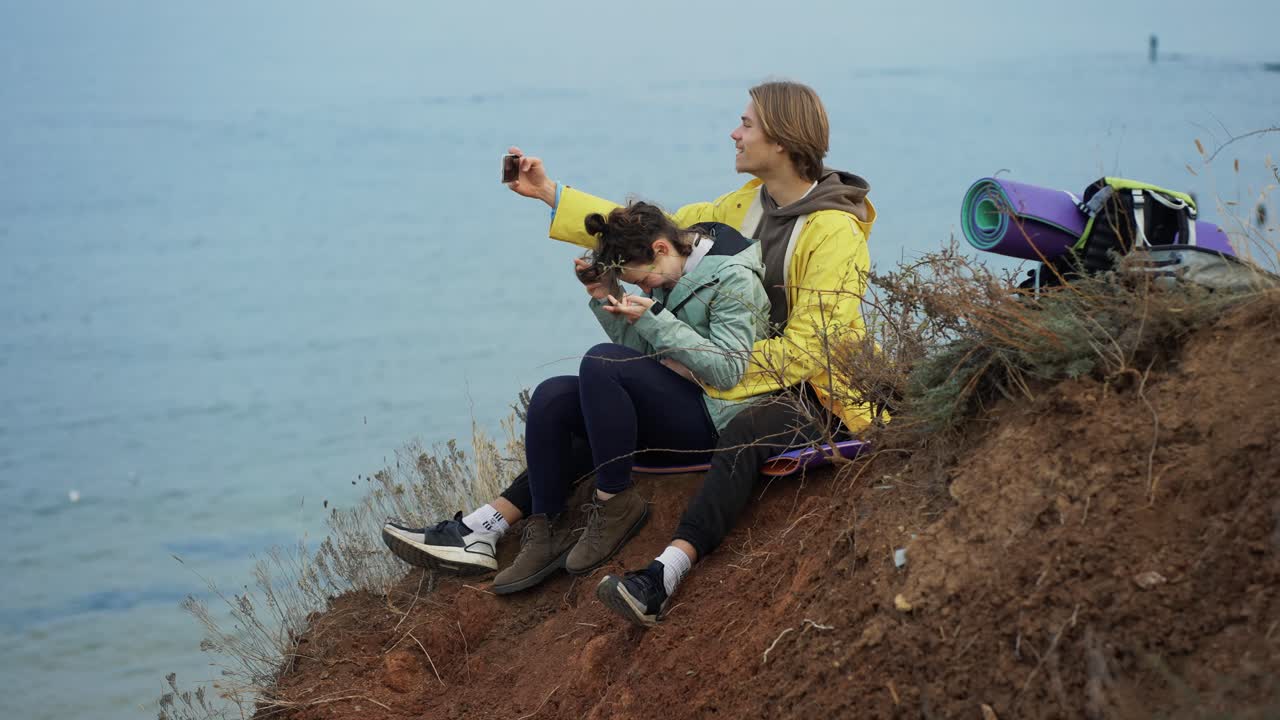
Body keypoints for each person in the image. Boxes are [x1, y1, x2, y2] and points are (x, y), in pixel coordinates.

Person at [396, 79, 876, 628]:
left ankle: (644, 548)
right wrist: (552, 193)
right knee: (563, 398)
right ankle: (496, 527)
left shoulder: (836, 232)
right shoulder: (742, 205)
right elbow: (653, 234)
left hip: (796, 390)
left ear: (784, 141)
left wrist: (703, 365)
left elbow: (814, 346)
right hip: (716, 371)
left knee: (609, 369)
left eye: (747, 124)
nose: (734, 132)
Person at [383, 201, 770, 594]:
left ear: (661, 248)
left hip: (711, 416)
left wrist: (656, 317)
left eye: (644, 281)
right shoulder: (672, 269)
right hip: (674, 399)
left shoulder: (733, 277)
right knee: (552, 397)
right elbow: (643, 353)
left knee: (601, 363)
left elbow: (729, 370)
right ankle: (547, 525)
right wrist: (606, 297)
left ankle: (615, 504)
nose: (643, 288)